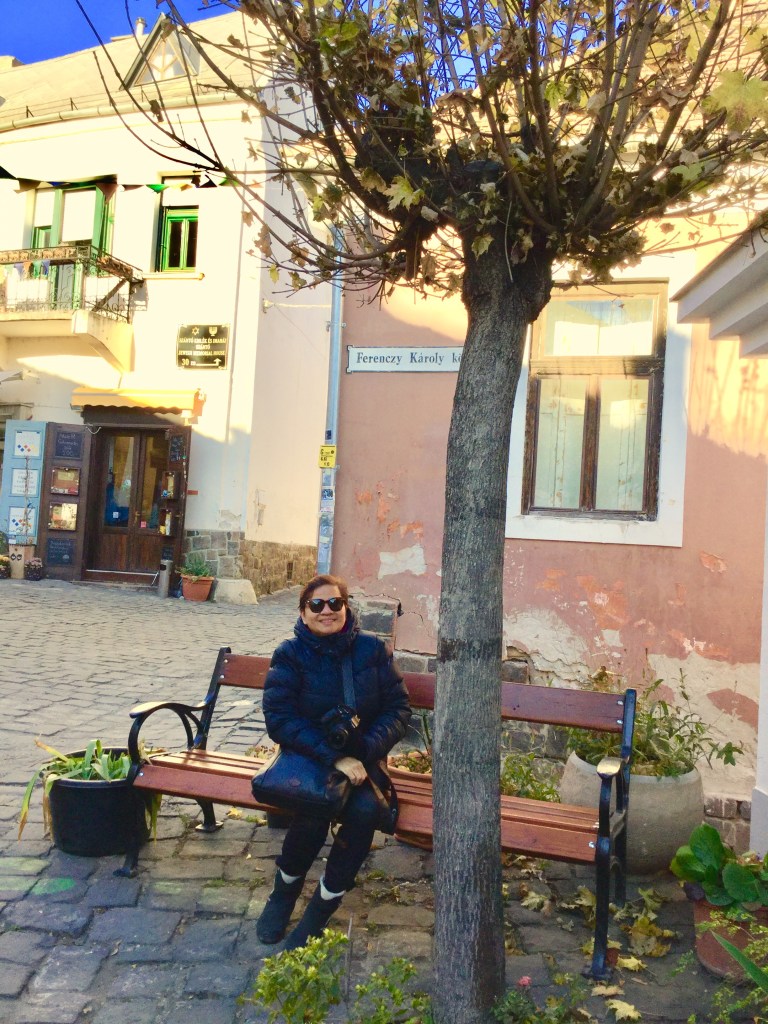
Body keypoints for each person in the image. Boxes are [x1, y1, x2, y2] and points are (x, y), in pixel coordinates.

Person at [256, 573, 411, 950]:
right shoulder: (290, 654)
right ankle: (284, 893)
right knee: (314, 808)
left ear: (346, 607)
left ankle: (322, 907)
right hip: (311, 757)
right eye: (316, 604)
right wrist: (336, 757)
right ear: (303, 613)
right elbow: (279, 719)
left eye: (335, 603)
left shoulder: (372, 650)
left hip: (365, 758)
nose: (327, 610)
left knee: (364, 812)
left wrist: (365, 750)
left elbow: (398, 709)